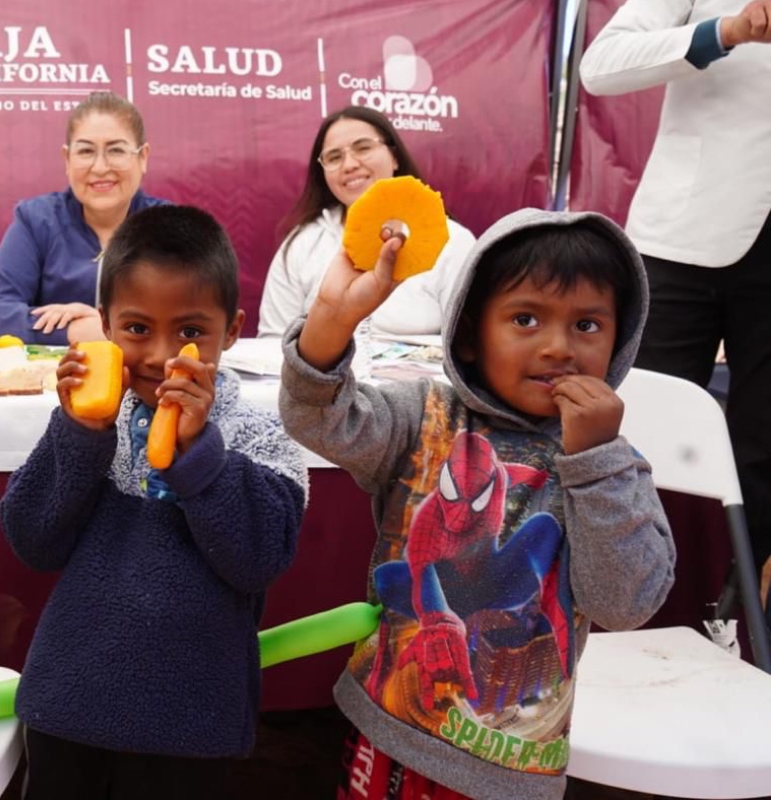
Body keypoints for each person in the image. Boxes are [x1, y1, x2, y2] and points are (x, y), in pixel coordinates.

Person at [279, 209, 675, 800]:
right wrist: (331, 322)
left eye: (588, 325)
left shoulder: (611, 466)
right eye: (525, 318)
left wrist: (596, 462)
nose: (559, 348)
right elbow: (319, 418)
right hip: (390, 726)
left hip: (512, 761)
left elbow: (625, 604)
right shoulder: (424, 416)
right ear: (469, 331)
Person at [0, 205, 307, 798]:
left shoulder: (261, 431)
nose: (162, 354)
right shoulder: (89, 422)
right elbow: (31, 540)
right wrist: (80, 433)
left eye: (191, 332)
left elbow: (261, 557)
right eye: (137, 329)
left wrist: (198, 452)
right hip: (67, 703)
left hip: (189, 722)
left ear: (234, 329)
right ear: (106, 326)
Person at [580, 0, 771, 605]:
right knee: (649, 432)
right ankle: (636, 610)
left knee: (765, 448)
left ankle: (735, 621)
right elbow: (601, 66)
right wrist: (728, 31)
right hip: (685, 238)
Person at [257, 106, 476, 339]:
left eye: (363, 147)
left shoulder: (453, 241)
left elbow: (469, 344)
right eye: (334, 157)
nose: (349, 165)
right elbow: (273, 342)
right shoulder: (301, 244)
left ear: (394, 157)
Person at [0, 91, 167, 345]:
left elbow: (196, 319)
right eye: (86, 151)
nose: (99, 167)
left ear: (142, 158)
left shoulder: (169, 226)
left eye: (116, 150)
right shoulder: (36, 220)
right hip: (58, 380)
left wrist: (113, 327)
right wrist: (76, 331)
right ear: (67, 159)